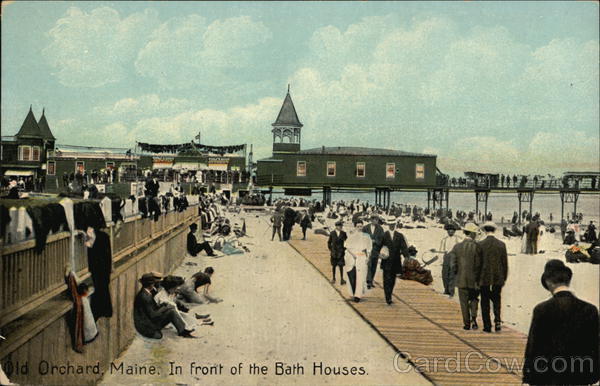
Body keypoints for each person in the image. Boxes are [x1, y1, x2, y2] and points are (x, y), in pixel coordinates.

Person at [523, 260, 599, 385]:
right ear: (568, 281)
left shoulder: (541, 309)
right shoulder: (590, 310)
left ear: (548, 282)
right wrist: (593, 376)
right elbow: (594, 346)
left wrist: (528, 376)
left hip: (548, 376)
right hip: (579, 375)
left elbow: (533, 347)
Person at [133, 273, 195, 339]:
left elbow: (153, 309)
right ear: (151, 285)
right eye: (154, 283)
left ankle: (182, 330)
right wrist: (165, 308)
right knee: (171, 311)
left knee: (171, 310)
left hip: (148, 320)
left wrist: (163, 305)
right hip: (147, 325)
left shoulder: (146, 293)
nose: (154, 285)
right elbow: (153, 315)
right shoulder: (145, 296)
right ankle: (182, 331)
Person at [448, 222, 483, 330]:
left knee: (463, 302)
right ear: (472, 234)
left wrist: (456, 276)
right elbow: (480, 264)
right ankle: (473, 318)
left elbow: (452, 265)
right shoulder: (478, 247)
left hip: (461, 279)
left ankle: (466, 324)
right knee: (474, 299)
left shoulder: (457, 247)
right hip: (474, 280)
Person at [477, 221, 508, 333]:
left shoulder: (480, 244)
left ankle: (487, 325)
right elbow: (505, 263)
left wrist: (477, 278)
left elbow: (478, 263)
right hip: (497, 276)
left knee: (484, 300)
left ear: (485, 230)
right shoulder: (501, 244)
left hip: (484, 276)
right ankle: (498, 321)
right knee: (497, 299)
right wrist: (503, 277)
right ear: (494, 230)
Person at [382, 218, 409, 304]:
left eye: (393, 224)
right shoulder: (384, 235)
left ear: (395, 225)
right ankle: (388, 297)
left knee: (393, 280)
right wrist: (378, 255)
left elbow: (404, 247)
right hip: (386, 261)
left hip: (396, 261)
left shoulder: (400, 235)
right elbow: (378, 246)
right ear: (388, 225)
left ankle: (389, 293)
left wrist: (406, 256)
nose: (392, 226)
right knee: (386, 279)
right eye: (390, 224)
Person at [344, 219, 371, 302]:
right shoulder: (352, 236)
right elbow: (347, 247)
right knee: (352, 275)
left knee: (361, 276)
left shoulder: (366, 236)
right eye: (358, 226)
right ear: (355, 227)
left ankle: (358, 295)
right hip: (353, 257)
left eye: (361, 226)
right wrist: (353, 255)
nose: (359, 228)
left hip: (362, 257)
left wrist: (368, 258)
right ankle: (354, 293)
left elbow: (369, 248)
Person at [438, 223, 461, 297]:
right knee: (445, 274)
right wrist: (441, 260)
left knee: (452, 274)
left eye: (452, 230)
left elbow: (459, 251)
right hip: (446, 257)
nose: (450, 231)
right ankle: (446, 289)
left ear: (454, 231)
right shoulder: (444, 240)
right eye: (449, 230)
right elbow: (441, 250)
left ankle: (451, 291)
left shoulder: (458, 239)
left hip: (454, 257)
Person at [364, 214, 385, 289]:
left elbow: (382, 239)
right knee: (369, 264)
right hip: (367, 249)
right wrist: (368, 241)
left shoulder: (380, 228)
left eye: (376, 220)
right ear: (371, 220)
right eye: (374, 219)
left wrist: (375, 241)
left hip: (376, 249)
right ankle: (369, 281)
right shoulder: (366, 228)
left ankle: (371, 280)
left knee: (374, 265)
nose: (375, 221)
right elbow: (362, 237)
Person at [327, 220, 347, 285]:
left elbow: (346, 242)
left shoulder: (343, 233)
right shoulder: (332, 233)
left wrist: (344, 249)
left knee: (341, 266)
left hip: (341, 252)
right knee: (334, 266)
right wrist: (331, 249)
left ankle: (342, 279)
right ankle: (333, 278)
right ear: (336, 226)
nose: (340, 227)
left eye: (341, 226)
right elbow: (329, 242)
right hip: (334, 253)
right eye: (339, 226)